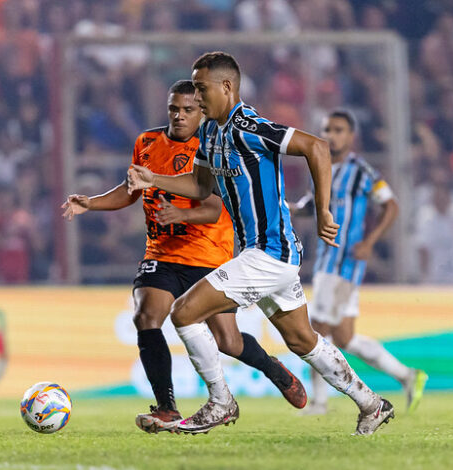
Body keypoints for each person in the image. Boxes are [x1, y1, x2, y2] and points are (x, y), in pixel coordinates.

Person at [127, 52, 395, 436]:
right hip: (266, 254)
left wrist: (323, 211)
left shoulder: (246, 125)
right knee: (303, 339)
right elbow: (201, 187)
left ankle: (221, 403)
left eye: (201, 89)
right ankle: (372, 404)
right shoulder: (211, 132)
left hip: (270, 252)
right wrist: (152, 177)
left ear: (226, 87)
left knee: (184, 312)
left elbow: (316, 148)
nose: (197, 97)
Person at [62, 80, 306, 434]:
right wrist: (92, 202)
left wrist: (181, 215)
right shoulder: (146, 142)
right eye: (173, 109)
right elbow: (132, 190)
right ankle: (166, 408)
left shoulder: (213, 146)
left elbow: (213, 208)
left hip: (209, 254)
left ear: (202, 111)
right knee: (146, 315)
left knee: (228, 341)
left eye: (187, 110)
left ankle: (272, 368)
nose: (178, 115)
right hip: (161, 254)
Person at [293, 110, 427, 415]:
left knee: (316, 331)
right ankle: (408, 376)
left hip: (343, 263)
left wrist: (369, 242)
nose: (331, 135)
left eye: (339, 130)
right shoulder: (321, 168)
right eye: (327, 129)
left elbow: (391, 206)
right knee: (344, 337)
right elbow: (310, 207)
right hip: (329, 260)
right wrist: (284, 207)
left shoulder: (361, 171)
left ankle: (319, 402)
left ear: (351, 136)